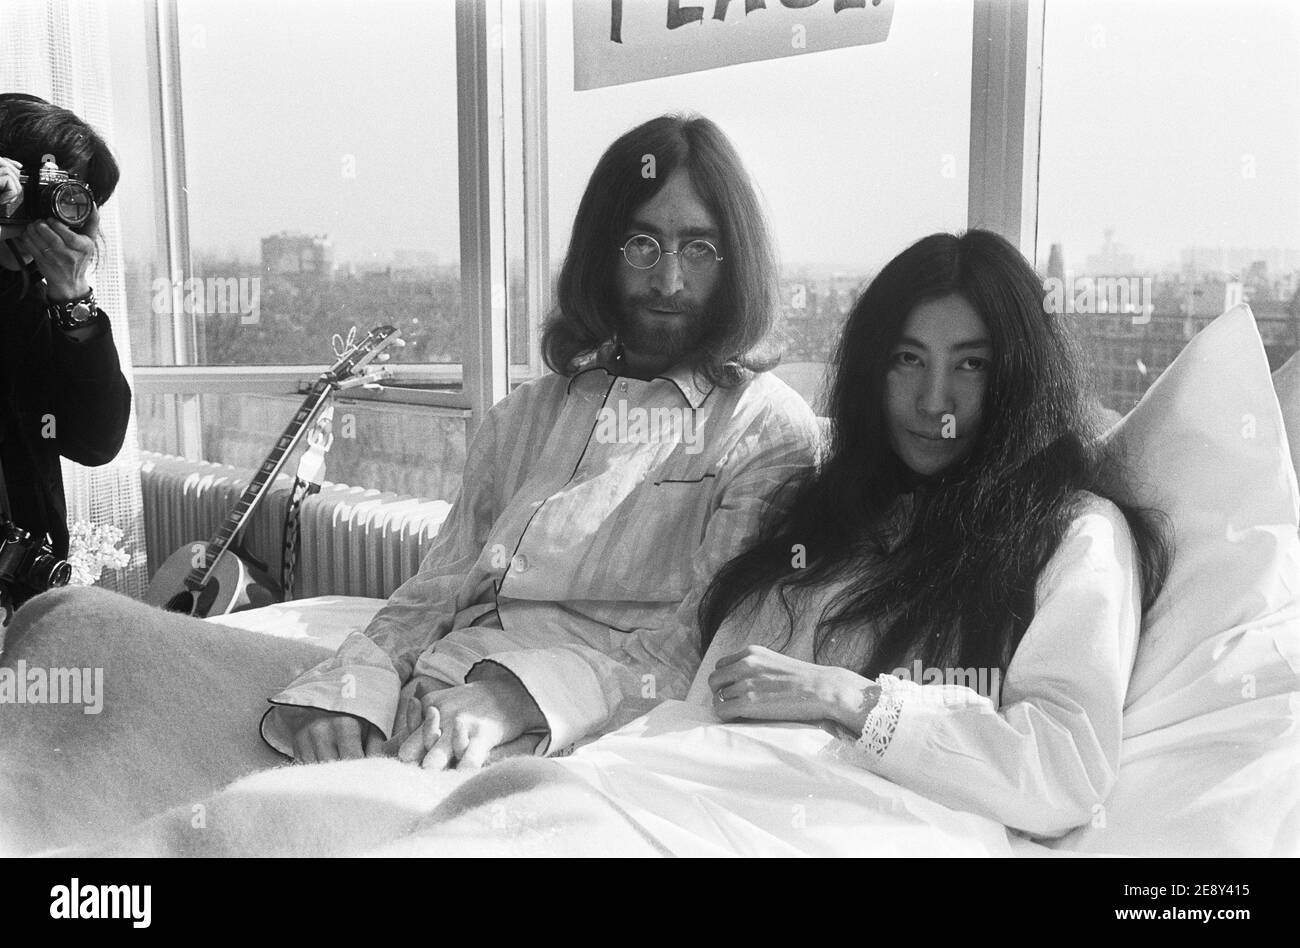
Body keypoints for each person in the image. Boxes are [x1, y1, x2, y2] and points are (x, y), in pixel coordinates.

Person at [259, 112, 821, 768]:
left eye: (699, 248)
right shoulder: (525, 415)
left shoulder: (769, 433)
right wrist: (353, 688)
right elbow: (438, 586)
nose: (669, 281)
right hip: (438, 704)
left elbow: (702, 651)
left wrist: (519, 700)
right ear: (601, 256)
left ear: (735, 263)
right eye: (643, 245)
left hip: (592, 741)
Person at [0, 93, 131, 596]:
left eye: (68, 199)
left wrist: (74, 299)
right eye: (34, 192)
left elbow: (94, 442)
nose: (48, 216)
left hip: (23, 589)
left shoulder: (38, 301)